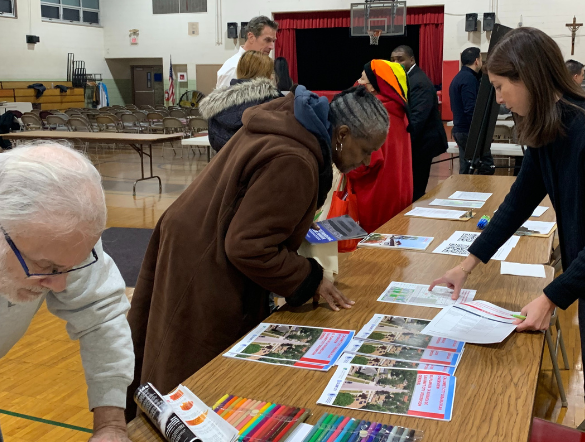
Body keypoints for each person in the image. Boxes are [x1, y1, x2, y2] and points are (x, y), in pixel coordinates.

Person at [429, 27, 585, 439]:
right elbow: (518, 202)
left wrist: (550, 297)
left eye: (501, 87)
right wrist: (466, 266)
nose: (499, 98)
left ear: (528, 77)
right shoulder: (550, 126)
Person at [125, 86, 390, 419]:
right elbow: (248, 246)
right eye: (365, 150)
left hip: (195, 235)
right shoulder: (295, 158)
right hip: (204, 257)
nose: (366, 161)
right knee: (188, 371)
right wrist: (310, 276)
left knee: (169, 352)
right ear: (342, 134)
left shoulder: (290, 122)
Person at [0, 143, 134, 442]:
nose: (60, 285)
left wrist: (111, 425)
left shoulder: (59, 208)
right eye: (45, 266)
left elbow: (100, 315)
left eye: (70, 266)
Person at [349, 60, 414, 233]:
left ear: (373, 87)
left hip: (376, 198)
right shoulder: (399, 111)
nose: (358, 83)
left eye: (363, 79)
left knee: (372, 255)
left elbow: (361, 166)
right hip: (400, 193)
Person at [391, 45, 448, 200]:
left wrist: (402, 144)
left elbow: (417, 118)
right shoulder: (408, 78)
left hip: (423, 143)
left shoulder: (418, 81)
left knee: (416, 189)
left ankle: (413, 220)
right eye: (393, 60)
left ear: (411, 59)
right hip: (419, 141)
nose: (396, 63)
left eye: (400, 59)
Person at [200, 50, 282, 151]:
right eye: (271, 72)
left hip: (226, 164)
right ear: (267, 75)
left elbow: (214, 141)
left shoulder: (214, 106)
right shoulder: (275, 103)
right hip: (263, 165)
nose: (272, 76)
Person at [448, 47, 493, 174]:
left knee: (467, 168)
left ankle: (466, 192)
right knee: (486, 166)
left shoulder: (459, 77)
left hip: (460, 129)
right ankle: (478, 192)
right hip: (468, 131)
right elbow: (471, 109)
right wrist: (480, 132)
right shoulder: (468, 79)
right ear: (477, 61)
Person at [215, 16, 278, 89]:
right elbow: (226, 99)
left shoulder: (260, 65)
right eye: (267, 40)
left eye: (273, 41)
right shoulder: (234, 67)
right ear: (251, 37)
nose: (272, 47)